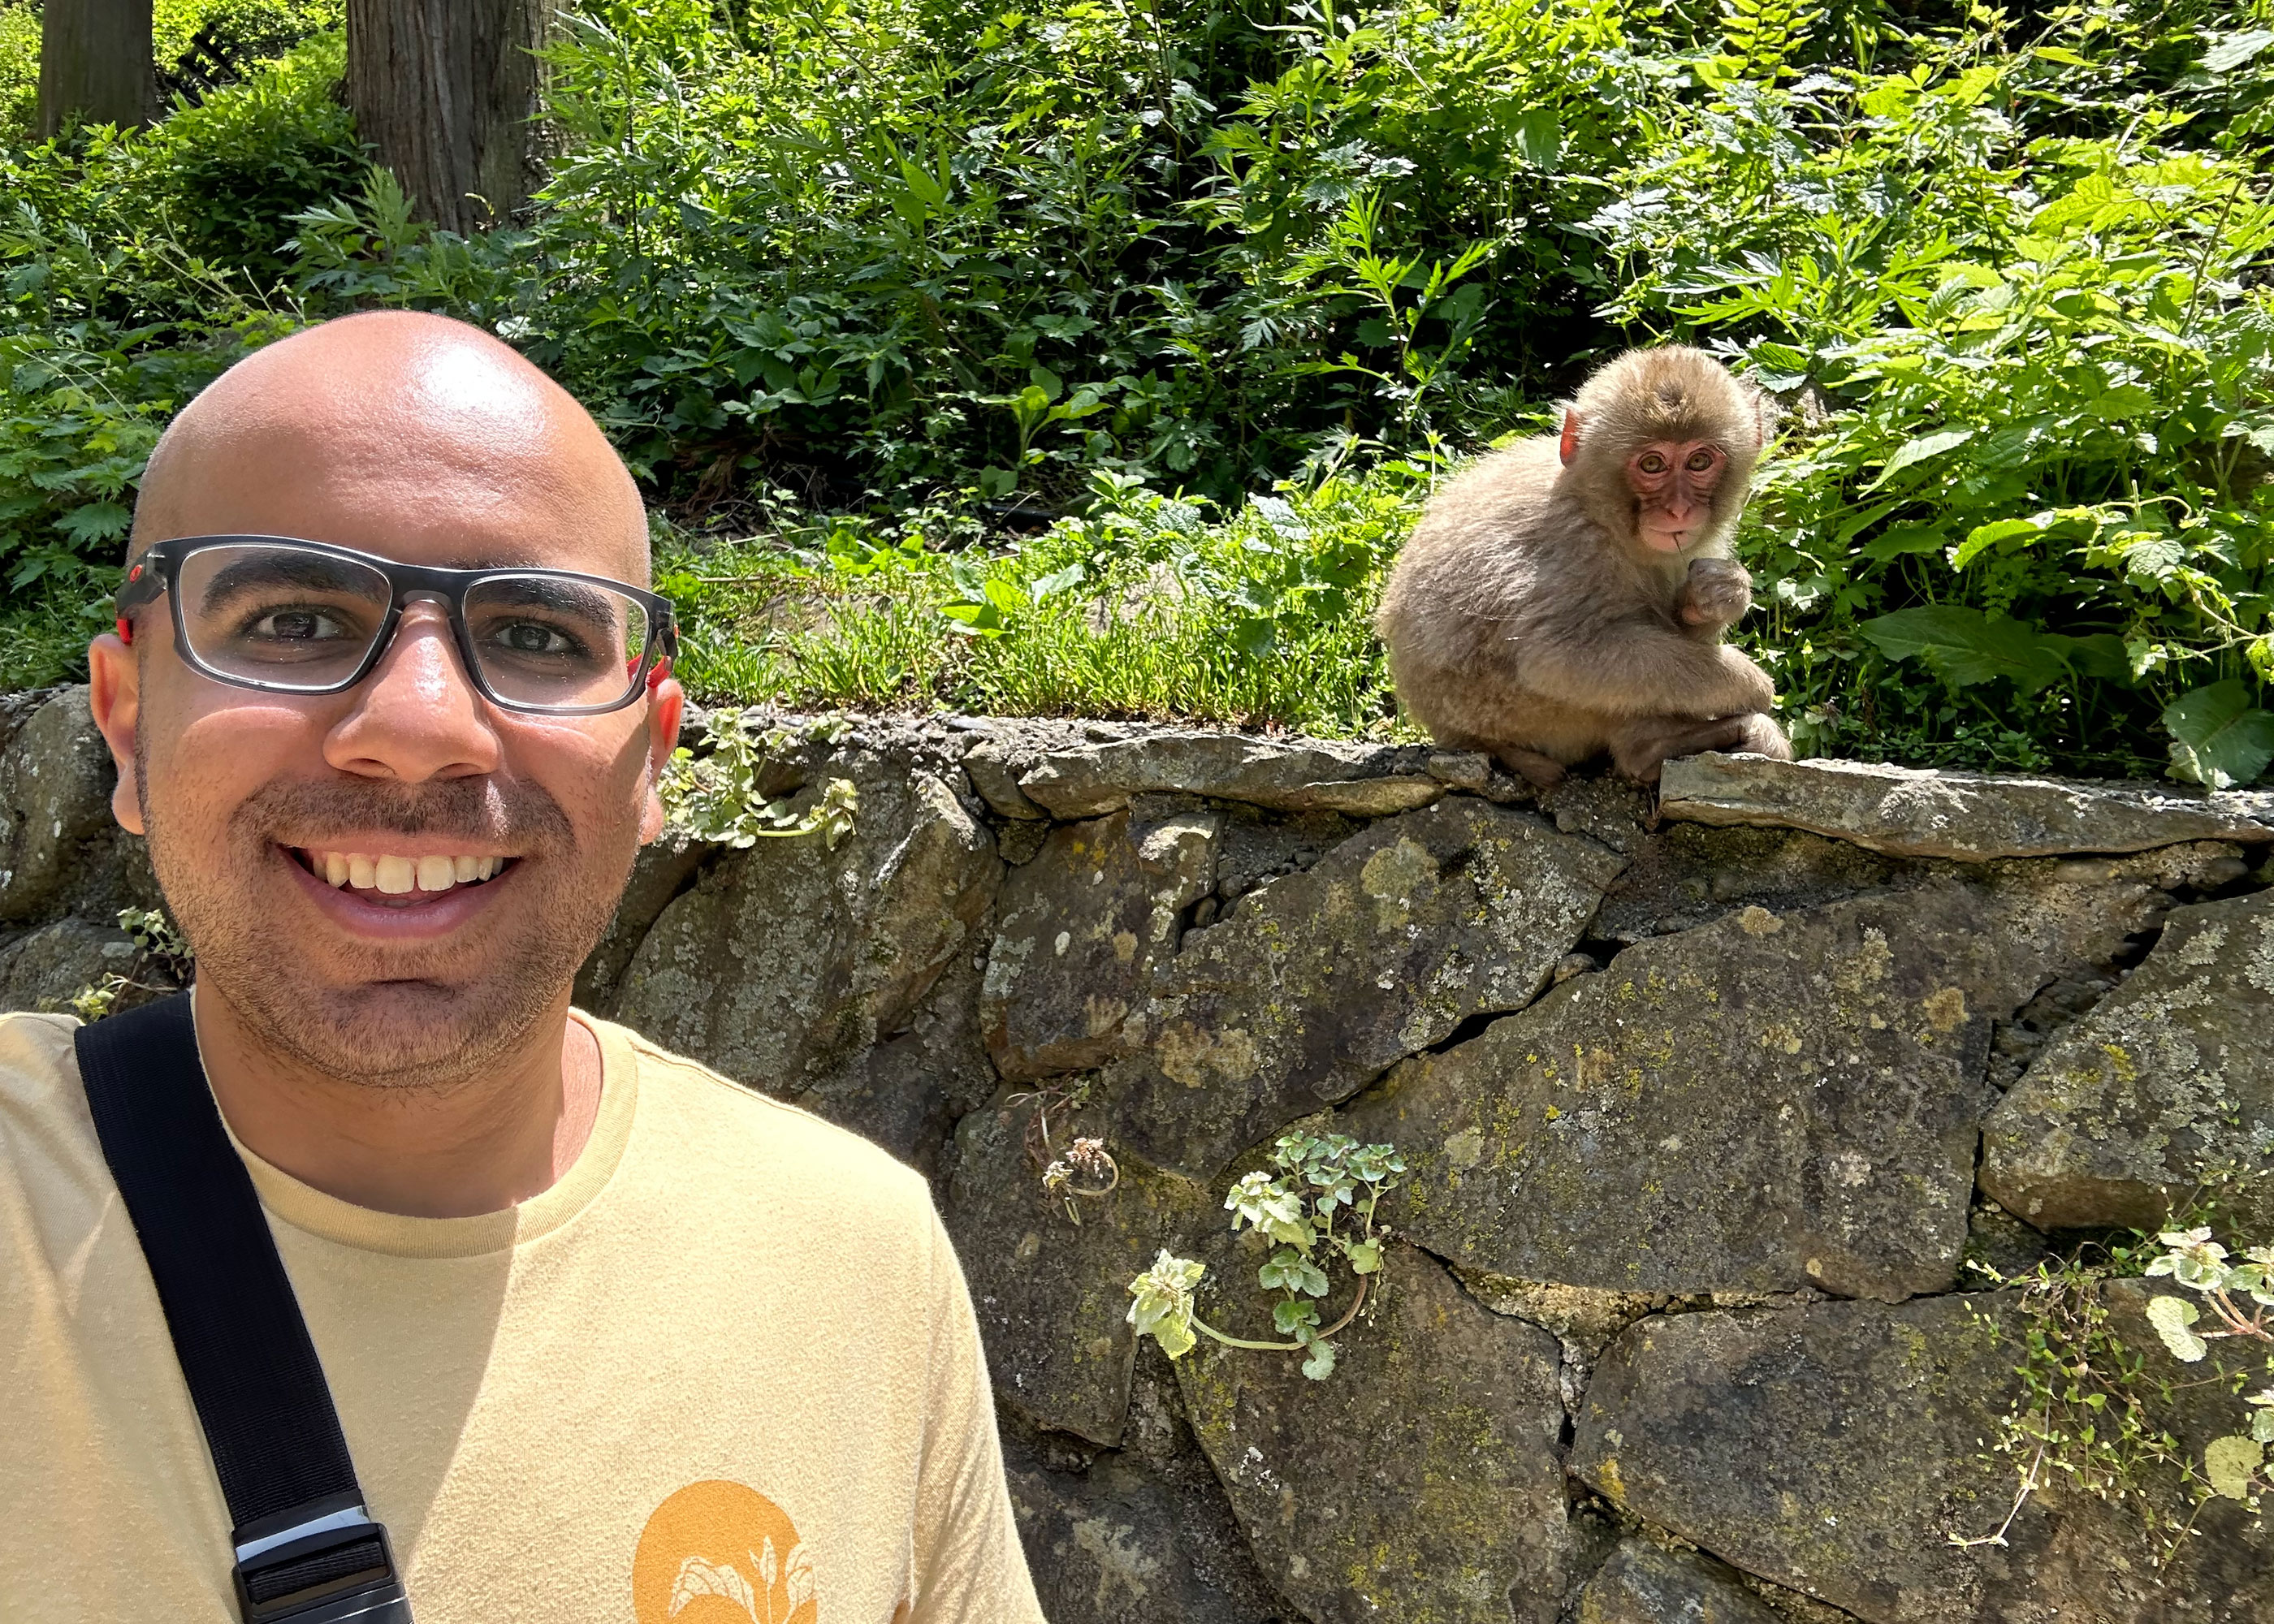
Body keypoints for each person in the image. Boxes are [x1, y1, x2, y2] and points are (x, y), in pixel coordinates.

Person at [0, 311, 1045, 1623]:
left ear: (654, 757)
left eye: (538, 637)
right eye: (295, 618)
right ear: (128, 718)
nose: (420, 728)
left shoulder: (859, 1263)